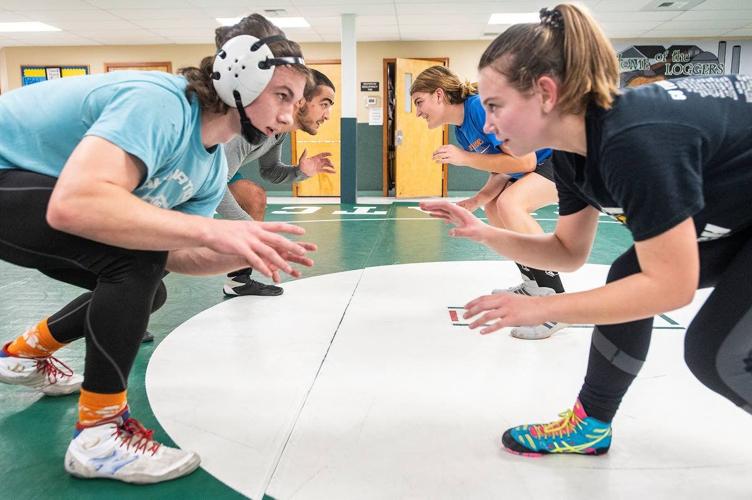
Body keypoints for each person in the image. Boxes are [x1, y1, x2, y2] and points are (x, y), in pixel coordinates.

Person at [420, 4, 752, 458]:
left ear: (546, 92)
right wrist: (482, 232)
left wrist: (541, 309)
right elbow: (568, 251)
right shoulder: (570, 155)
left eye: (495, 106)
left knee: (716, 355)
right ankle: (591, 424)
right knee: (630, 274)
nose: (489, 123)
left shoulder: (634, 140)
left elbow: (671, 287)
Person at [0, 14, 315, 483]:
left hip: (29, 194)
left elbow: (173, 255)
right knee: (134, 264)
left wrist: (245, 251)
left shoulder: (209, 170)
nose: (289, 117)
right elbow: (75, 203)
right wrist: (216, 232)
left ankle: (22, 354)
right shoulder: (161, 103)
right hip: (13, 176)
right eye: (282, 96)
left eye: (297, 101)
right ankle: (100, 435)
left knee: (148, 287)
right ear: (239, 80)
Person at [411, 66, 566, 339]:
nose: (418, 112)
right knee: (494, 208)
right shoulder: (462, 131)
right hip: (537, 164)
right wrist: (476, 200)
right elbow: (504, 167)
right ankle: (532, 284)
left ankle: (556, 304)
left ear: (438, 95)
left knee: (510, 204)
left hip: (562, 156)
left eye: (419, 102)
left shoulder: (479, 108)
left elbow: (525, 161)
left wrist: (465, 158)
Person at [219, 66, 336, 297]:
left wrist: (300, 172)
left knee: (254, 197)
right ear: (301, 101)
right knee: (171, 246)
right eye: (324, 104)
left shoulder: (279, 131)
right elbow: (212, 189)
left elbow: (270, 171)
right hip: (183, 177)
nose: (328, 115)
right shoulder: (252, 127)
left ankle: (238, 280)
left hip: (215, 175)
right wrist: (256, 233)